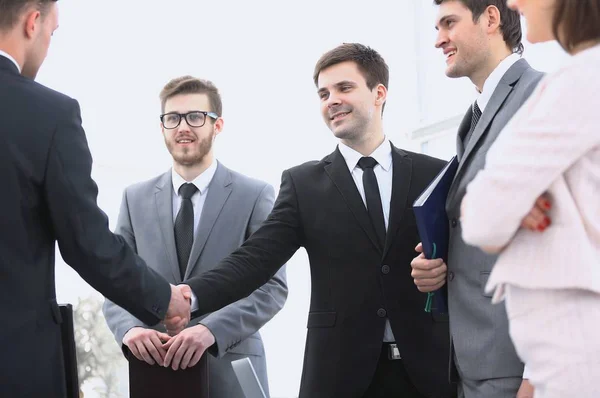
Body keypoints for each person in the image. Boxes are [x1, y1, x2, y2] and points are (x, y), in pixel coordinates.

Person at [167, 43, 456, 398]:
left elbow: (464, 261)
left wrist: (443, 271)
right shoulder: (303, 185)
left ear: (379, 93)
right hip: (340, 376)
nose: (331, 100)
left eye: (344, 88)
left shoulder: (436, 174)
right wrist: (189, 295)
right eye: (323, 93)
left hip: (428, 373)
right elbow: (255, 259)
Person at [0, 1, 191, 397]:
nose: (49, 46)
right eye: (52, 33)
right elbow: (87, 244)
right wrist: (164, 298)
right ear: (33, 23)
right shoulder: (48, 113)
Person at [103, 76, 288, 398]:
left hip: (232, 368)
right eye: (172, 118)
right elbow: (115, 278)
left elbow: (272, 287)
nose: (182, 127)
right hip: (154, 368)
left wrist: (210, 330)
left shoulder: (255, 194)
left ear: (217, 125)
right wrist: (129, 328)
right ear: (162, 127)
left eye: (195, 117)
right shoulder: (134, 198)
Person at [460, 0, 600, 396]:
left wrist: (504, 202)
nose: (515, 3)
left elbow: (482, 217)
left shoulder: (578, 80)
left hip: (575, 352)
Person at [409, 1, 544, 397]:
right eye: (435, 27)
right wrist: (441, 262)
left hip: (518, 367)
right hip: (476, 361)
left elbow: (563, 240)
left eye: (449, 23)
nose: (438, 40)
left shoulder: (540, 96)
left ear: (490, 18)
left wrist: (539, 372)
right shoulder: (476, 114)